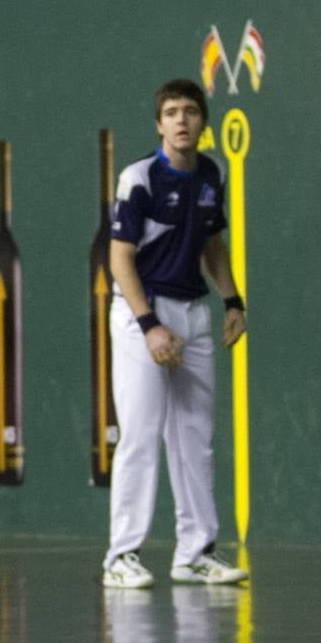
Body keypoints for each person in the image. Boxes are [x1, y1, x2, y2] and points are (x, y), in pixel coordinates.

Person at [102, 78, 248, 589]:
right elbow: (119, 259)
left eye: (190, 111)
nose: (181, 120)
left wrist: (231, 300)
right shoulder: (138, 177)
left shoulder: (211, 173)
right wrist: (149, 327)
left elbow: (212, 243)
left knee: (195, 438)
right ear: (159, 124)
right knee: (140, 435)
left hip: (195, 314)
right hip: (142, 312)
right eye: (171, 112)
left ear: (202, 121)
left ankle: (196, 551)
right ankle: (121, 556)